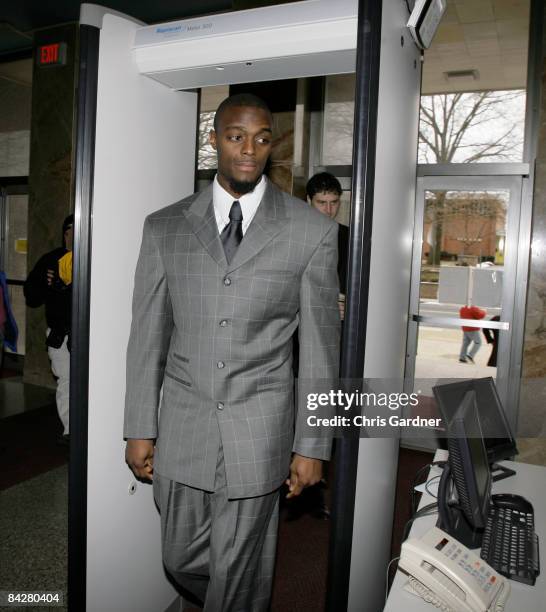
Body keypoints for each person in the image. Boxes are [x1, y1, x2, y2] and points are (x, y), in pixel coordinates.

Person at [124, 93, 340, 611]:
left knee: (240, 574)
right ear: (214, 140)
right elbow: (147, 333)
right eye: (235, 136)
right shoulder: (165, 227)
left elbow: (320, 349)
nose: (249, 149)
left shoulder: (312, 231)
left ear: (272, 145)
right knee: (180, 559)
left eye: (262, 138)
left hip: (259, 430)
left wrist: (313, 445)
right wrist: (138, 427)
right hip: (183, 426)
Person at [24, 215, 73, 444]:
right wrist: (46, 282)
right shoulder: (51, 260)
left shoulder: (95, 259)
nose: (73, 234)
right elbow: (31, 296)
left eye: (77, 229)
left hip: (89, 335)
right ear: (64, 234)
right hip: (59, 334)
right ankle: (70, 429)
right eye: (69, 230)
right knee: (66, 380)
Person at [306, 172, 348, 321]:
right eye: (322, 203)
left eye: (334, 202)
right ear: (309, 200)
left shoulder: (351, 237)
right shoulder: (294, 236)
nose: (329, 210)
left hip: (337, 329)